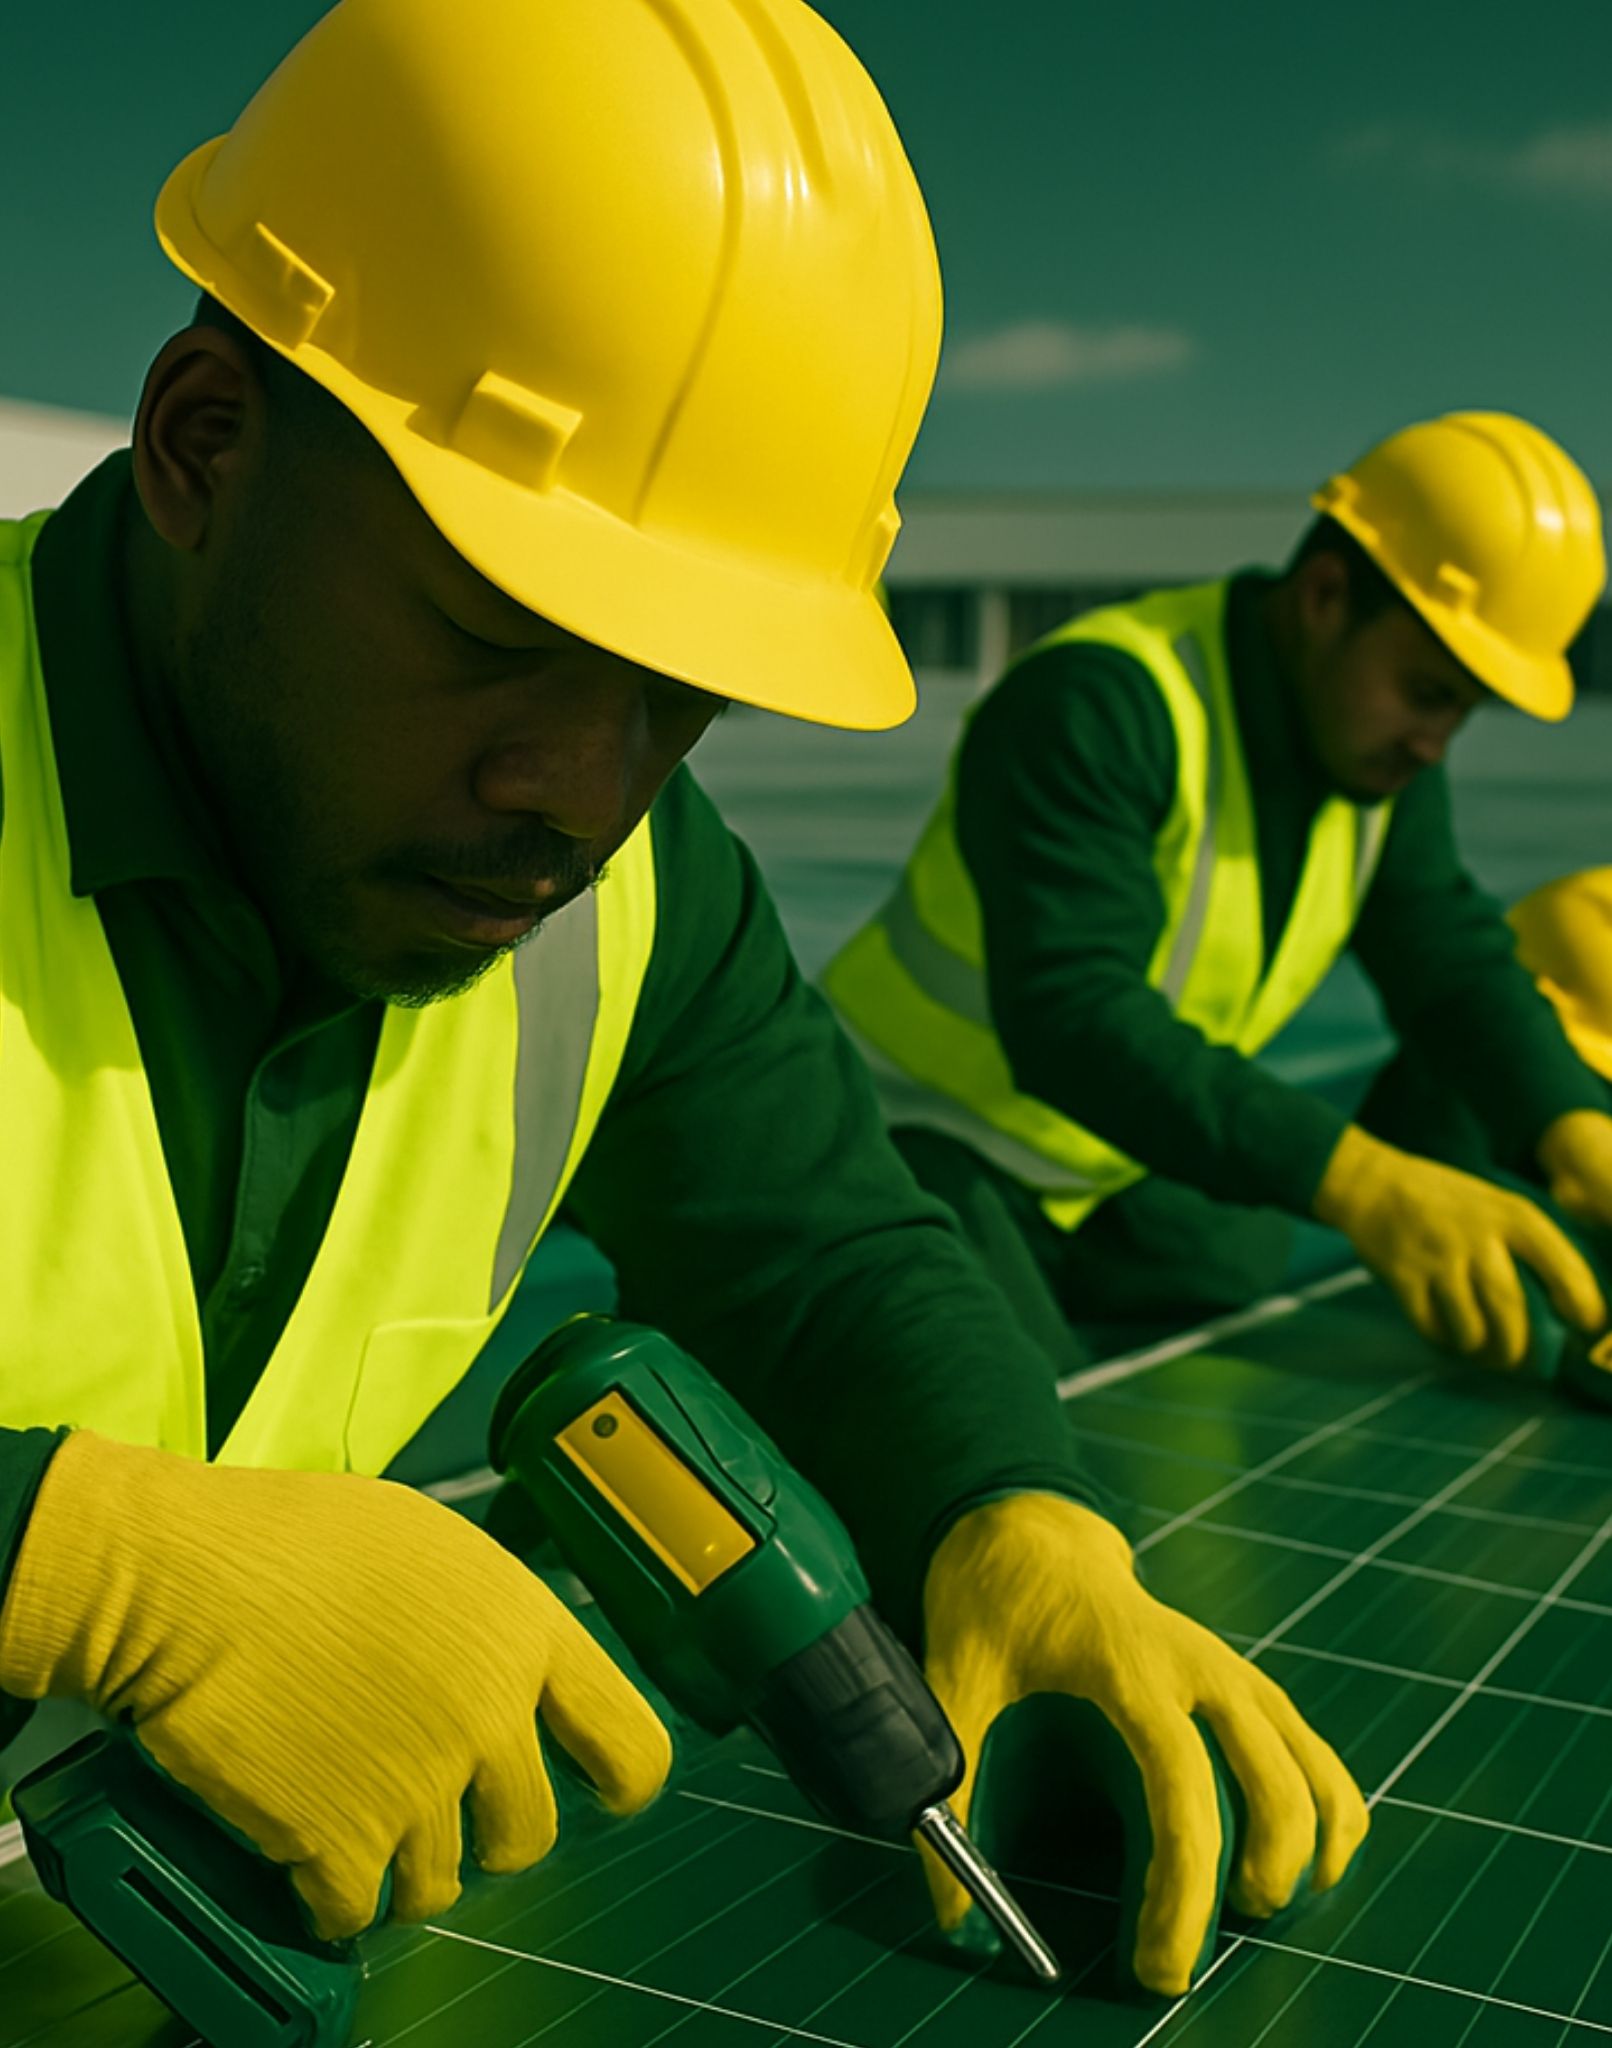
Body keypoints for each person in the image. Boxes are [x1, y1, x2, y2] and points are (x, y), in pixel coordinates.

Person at [0, 0, 1366, 2002]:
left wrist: (1017, 1522)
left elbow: (822, 1246)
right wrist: (67, 1557)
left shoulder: (627, 887)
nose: (577, 791)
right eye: (495, 628)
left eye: (676, 689)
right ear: (204, 443)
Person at [824, 412, 1612, 1385]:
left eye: (1459, 709)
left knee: (1234, 1255)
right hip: (904, 1137)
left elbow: (1448, 960)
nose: (1434, 739)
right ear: (1325, 596)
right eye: (1426, 691)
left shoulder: (1375, 757)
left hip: (1102, 1158)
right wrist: (1372, 1186)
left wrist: (1575, 1129)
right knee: (1004, 1407)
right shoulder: (1096, 702)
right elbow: (1072, 1017)